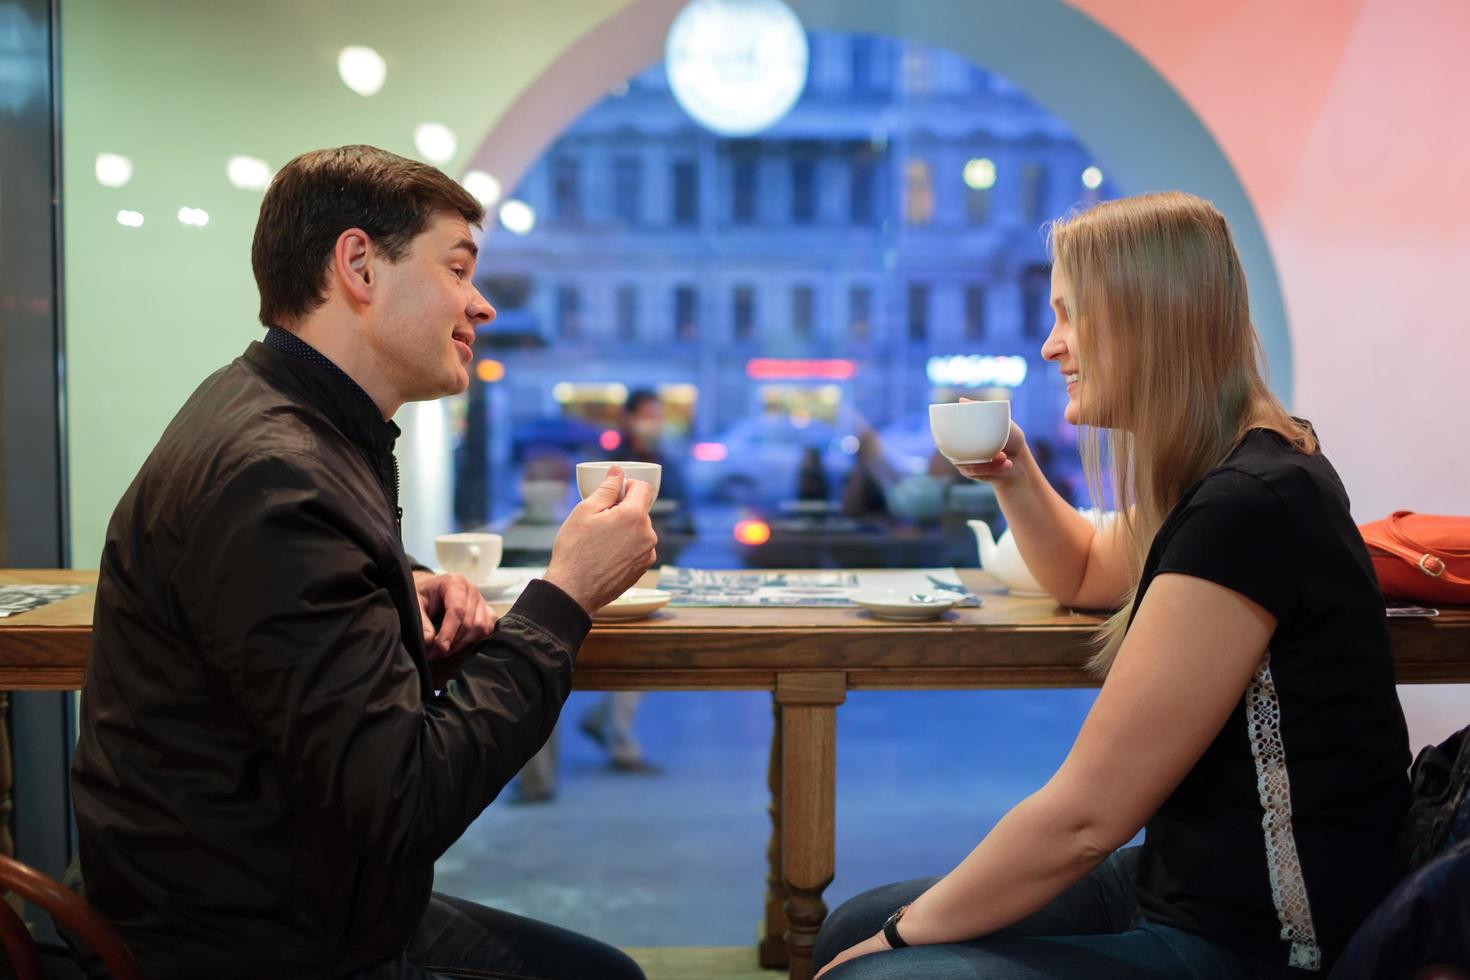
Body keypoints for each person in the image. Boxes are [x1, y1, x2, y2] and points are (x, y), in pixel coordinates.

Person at [69, 146, 657, 980]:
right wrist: (565, 596)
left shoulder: (269, 413)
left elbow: (297, 583)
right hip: (249, 941)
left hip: (273, 896)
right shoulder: (274, 475)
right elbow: (408, 804)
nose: (481, 304)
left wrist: (401, 579)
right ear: (358, 266)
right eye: (457, 268)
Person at [812, 192, 1411, 979]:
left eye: (1070, 314)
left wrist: (894, 943)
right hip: (1182, 884)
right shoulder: (1229, 471)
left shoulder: (1250, 505)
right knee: (848, 927)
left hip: (1267, 940)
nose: (1050, 344)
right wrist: (1014, 473)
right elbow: (1090, 572)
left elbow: (1085, 820)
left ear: (1149, 315)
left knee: (869, 961)